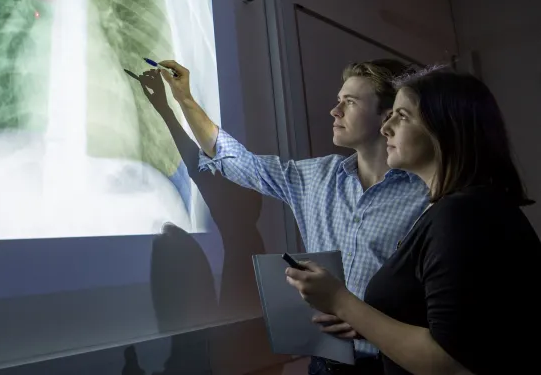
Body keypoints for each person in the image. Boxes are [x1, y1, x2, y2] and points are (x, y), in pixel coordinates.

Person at [154, 59, 429, 375]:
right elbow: (236, 160)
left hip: (392, 367)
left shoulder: (425, 195)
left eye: (350, 102)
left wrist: (368, 322)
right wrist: (184, 100)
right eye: (339, 100)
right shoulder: (316, 177)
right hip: (324, 365)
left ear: (387, 116)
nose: (335, 111)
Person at [284, 67, 541, 375]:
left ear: (444, 129)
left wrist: (339, 300)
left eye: (402, 116)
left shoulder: (461, 217)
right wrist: (363, 322)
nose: (385, 128)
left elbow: (450, 363)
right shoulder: (467, 208)